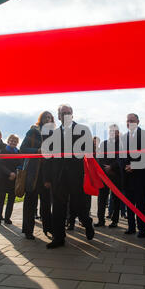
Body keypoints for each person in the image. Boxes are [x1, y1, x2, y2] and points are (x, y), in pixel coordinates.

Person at [43, 104, 95, 248]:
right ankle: (59, 238)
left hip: (77, 176)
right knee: (58, 208)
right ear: (59, 116)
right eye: (63, 113)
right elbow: (48, 158)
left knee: (79, 205)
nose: (66, 115)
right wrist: (47, 178)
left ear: (72, 115)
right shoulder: (53, 134)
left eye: (68, 112)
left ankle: (87, 222)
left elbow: (90, 152)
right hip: (58, 177)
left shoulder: (83, 130)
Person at [20, 111, 55, 239]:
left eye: (50, 118)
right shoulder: (33, 132)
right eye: (45, 117)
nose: (47, 119)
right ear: (41, 119)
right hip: (33, 173)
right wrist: (37, 151)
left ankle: (48, 228)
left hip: (47, 174)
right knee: (30, 202)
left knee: (46, 203)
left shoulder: (54, 135)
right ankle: (28, 231)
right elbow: (22, 149)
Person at [121, 113, 145, 238]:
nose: (130, 123)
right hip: (127, 176)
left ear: (138, 121)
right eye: (128, 120)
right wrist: (125, 166)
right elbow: (121, 156)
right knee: (129, 204)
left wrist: (133, 166)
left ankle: (142, 229)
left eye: (132, 120)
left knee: (140, 204)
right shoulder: (123, 137)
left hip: (140, 176)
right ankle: (131, 227)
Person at [96, 124, 123, 228]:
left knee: (116, 199)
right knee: (101, 198)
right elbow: (100, 158)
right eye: (110, 130)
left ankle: (114, 221)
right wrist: (105, 170)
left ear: (117, 132)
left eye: (114, 131)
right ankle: (100, 220)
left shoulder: (121, 144)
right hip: (104, 175)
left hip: (116, 175)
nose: (112, 132)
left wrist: (111, 167)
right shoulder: (104, 143)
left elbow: (120, 158)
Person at [0, 134, 22, 227]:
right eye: (11, 141)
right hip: (3, 178)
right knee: (0, 200)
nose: (13, 142)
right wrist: (10, 173)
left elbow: (21, 164)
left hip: (13, 179)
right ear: (8, 141)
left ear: (17, 143)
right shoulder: (3, 151)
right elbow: (0, 164)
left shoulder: (18, 152)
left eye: (15, 141)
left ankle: (7, 218)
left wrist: (15, 174)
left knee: (11, 200)